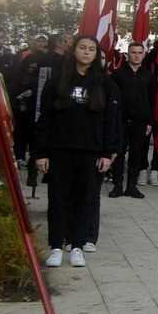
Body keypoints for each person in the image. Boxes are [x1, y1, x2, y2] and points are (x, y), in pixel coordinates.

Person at [33, 35, 121, 268]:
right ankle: (55, 246)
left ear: (96, 55)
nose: (86, 52)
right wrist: (40, 153)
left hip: (90, 152)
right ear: (74, 51)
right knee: (58, 198)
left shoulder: (105, 85)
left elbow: (110, 122)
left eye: (91, 49)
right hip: (59, 150)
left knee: (85, 200)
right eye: (82, 47)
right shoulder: (57, 81)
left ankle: (78, 246)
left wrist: (107, 153)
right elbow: (45, 119)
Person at [110, 41, 158, 197]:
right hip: (120, 121)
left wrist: (150, 122)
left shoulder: (148, 76)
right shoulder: (118, 74)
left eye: (139, 53)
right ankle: (117, 185)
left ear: (143, 55)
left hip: (140, 122)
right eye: (133, 52)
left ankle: (131, 185)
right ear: (128, 54)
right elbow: (112, 98)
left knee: (136, 154)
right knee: (118, 153)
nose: (136, 55)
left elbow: (152, 101)